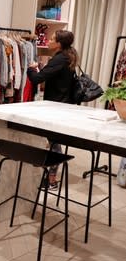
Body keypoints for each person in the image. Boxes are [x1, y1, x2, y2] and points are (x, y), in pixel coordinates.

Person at [27, 30, 79, 190]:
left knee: (54, 143)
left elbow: (36, 79)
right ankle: (50, 177)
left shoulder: (59, 59)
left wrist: (32, 69)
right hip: (63, 105)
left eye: (52, 39)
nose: (48, 41)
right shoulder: (67, 56)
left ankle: (51, 180)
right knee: (54, 142)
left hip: (56, 107)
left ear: (59, 44)